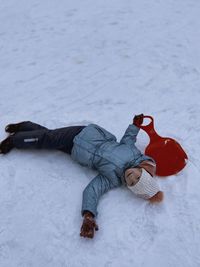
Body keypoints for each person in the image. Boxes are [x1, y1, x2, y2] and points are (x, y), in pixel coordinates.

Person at [0, 114, 164, 239]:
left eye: (132, 183)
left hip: (76, 151)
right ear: (142, 170)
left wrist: (89, 215)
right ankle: (15, 140)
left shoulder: (113, 179)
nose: (131, 177)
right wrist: (135, 125)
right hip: (86, 134)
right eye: (137, 177)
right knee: (48, 139)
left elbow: (93, 190)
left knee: (50, 138)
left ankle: (26, 127)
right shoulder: (132, 152)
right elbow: (129, 137)